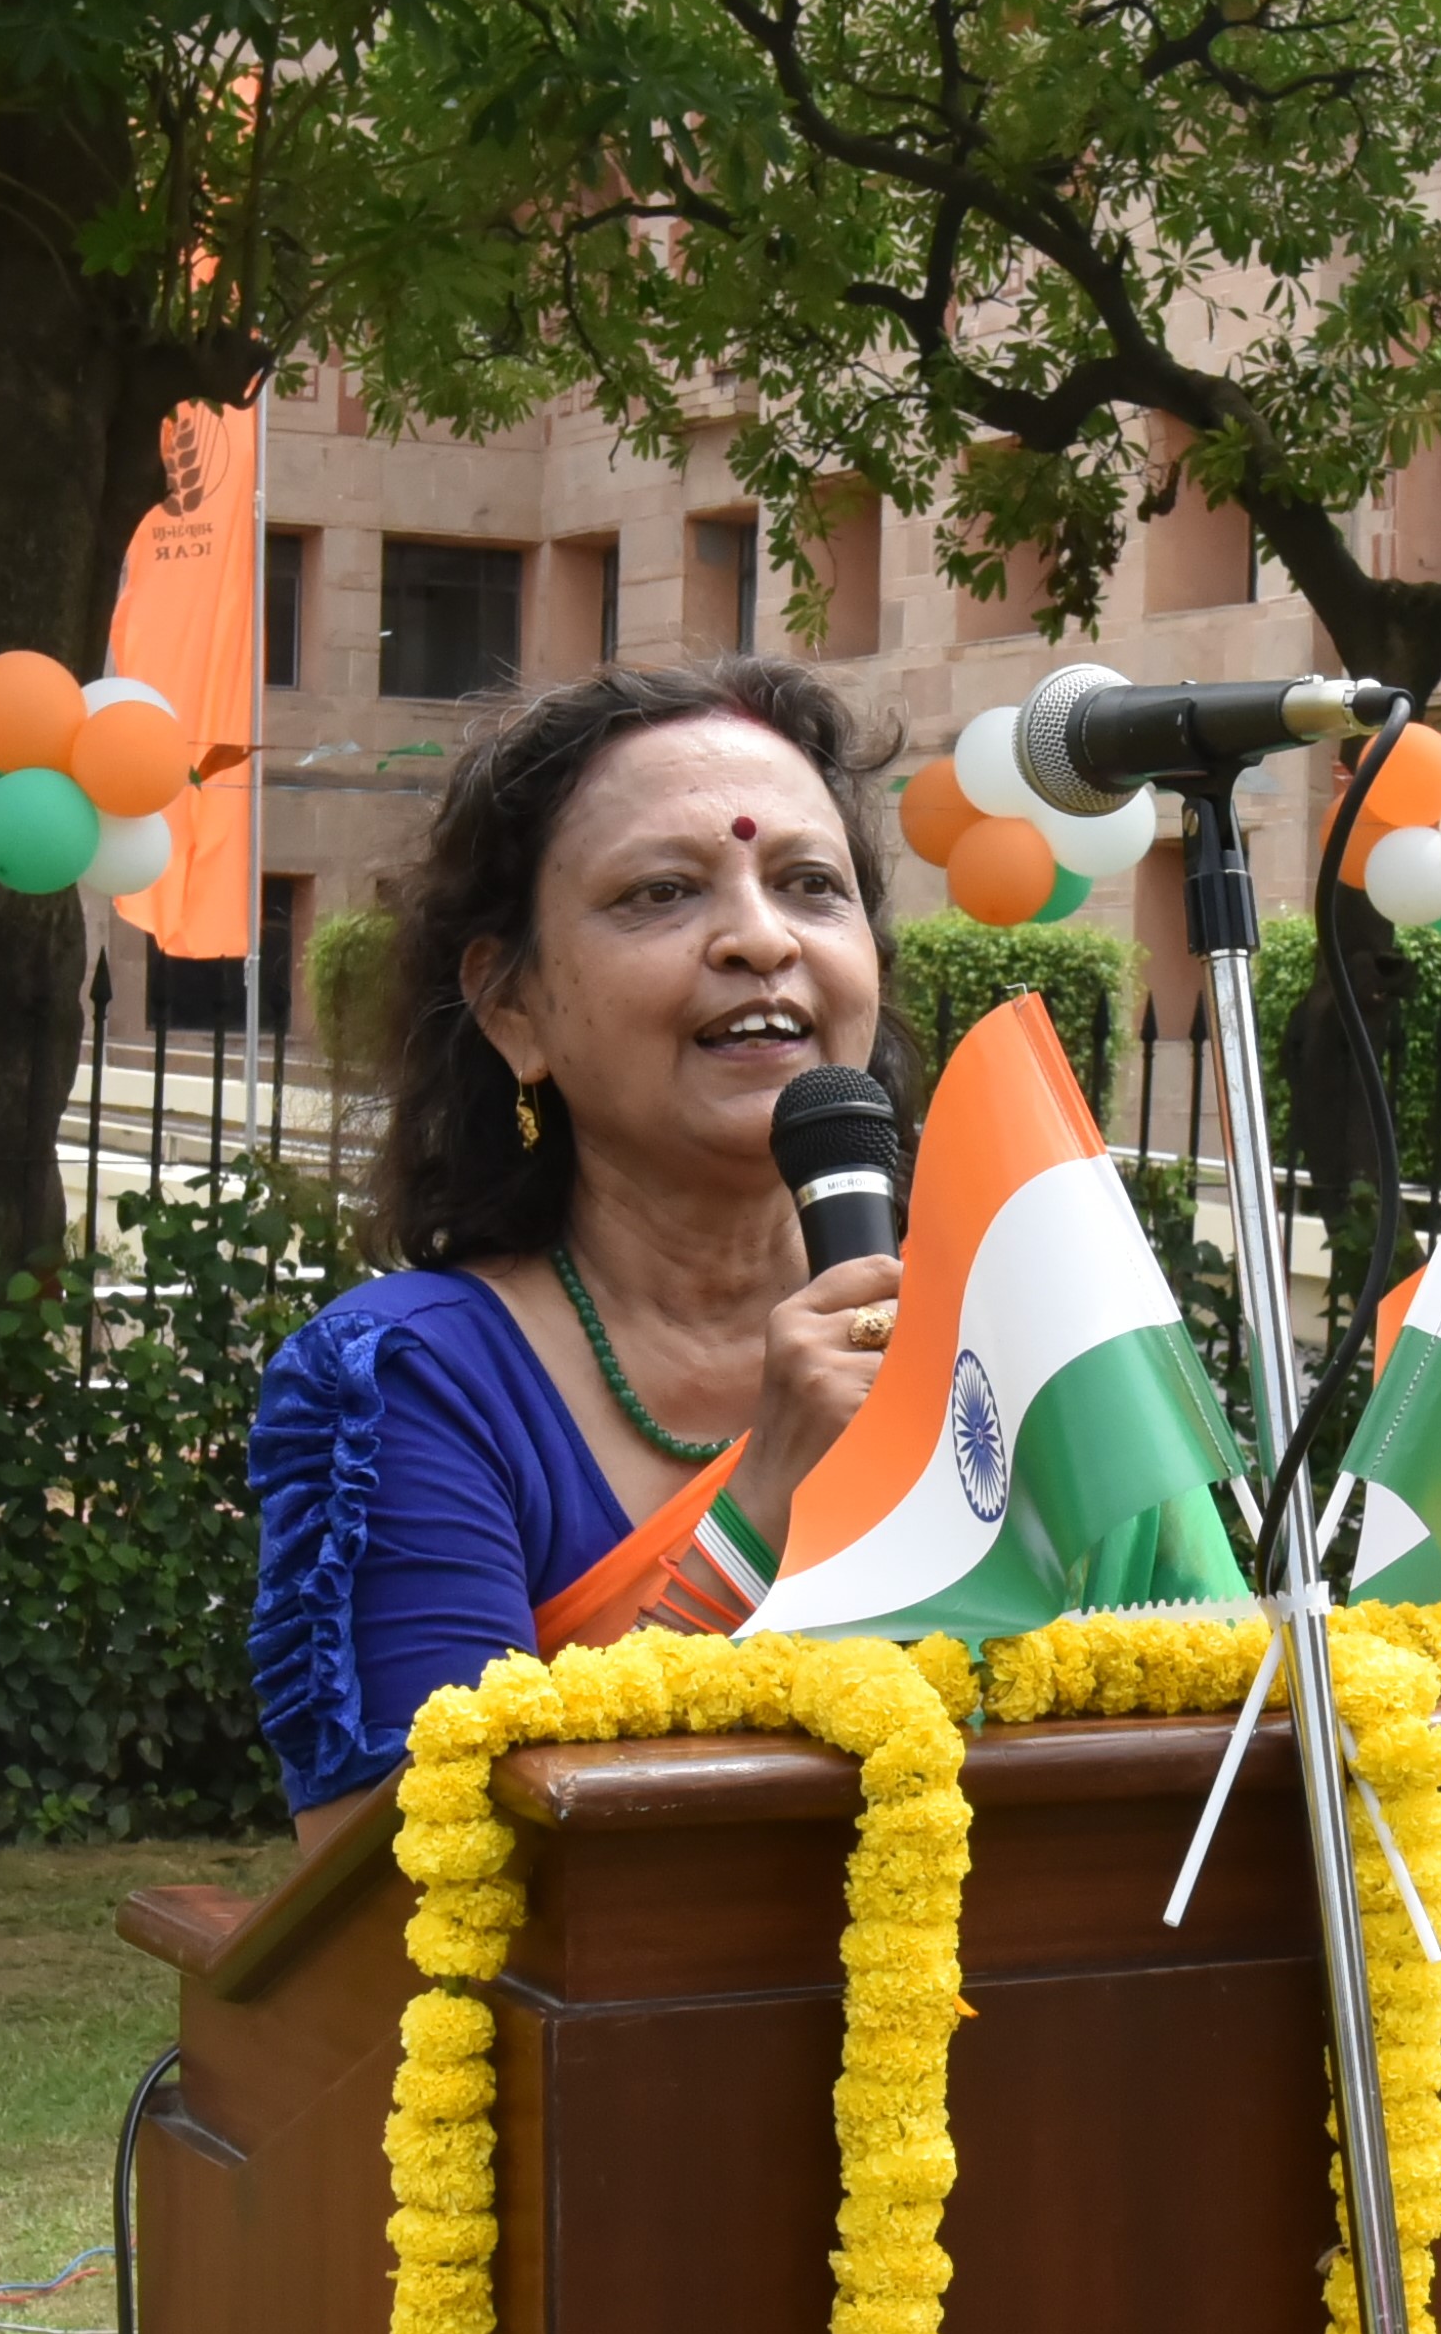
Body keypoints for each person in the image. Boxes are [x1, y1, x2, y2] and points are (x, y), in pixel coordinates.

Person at [245, 658, 1233, 1853]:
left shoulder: (1036, 1340)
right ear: (514, 1010)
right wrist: (764, 1515)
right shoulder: (414, 1385)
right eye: (662, 893)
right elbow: (410, 1889)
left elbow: (1236, 1761)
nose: (761, 939)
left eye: (811, 886)